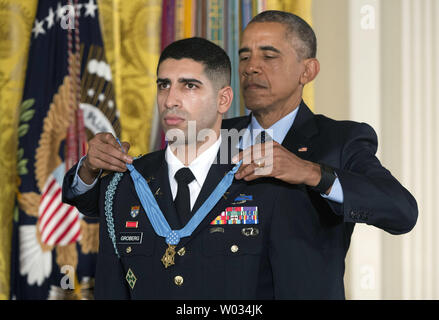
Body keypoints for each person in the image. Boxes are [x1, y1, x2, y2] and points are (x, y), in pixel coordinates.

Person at [62, 37, 307, 299]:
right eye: (163, 85)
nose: (170, 100)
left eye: (189, 86)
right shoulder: (122, 185)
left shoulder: (263, 180)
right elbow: (111, 289)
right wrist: (88, 166)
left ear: (223, 100)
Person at [221, 9, 418, 294]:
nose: (250, 67)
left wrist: (313, 173)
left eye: (268, 56)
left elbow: (402, 211)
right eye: (244, 56)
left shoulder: (340, 140)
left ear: (307, 70)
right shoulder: (213, 138)